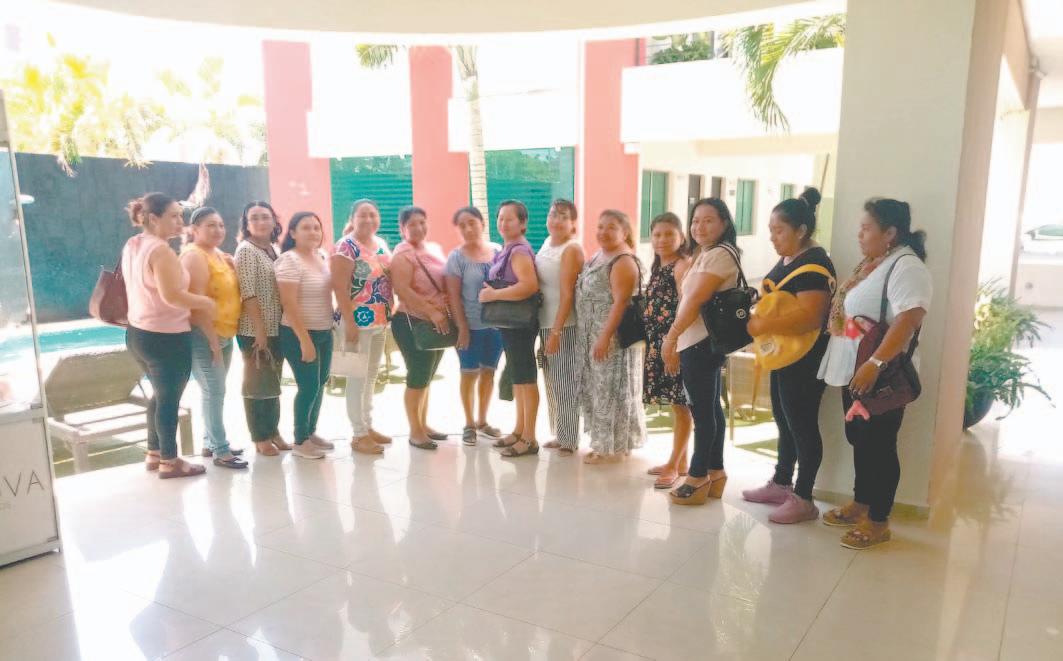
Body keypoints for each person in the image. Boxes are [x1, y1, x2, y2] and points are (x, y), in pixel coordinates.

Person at [818, 198, 931, 549]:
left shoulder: (906, 266)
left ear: (890, 232)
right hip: (854, 370)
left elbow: (909, 319)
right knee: (861, 440)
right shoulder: (873, 265)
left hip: (879, 375)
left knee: (880, 445)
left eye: (866, 228)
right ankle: (861, 503)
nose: (859, 234)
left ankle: (878, 520)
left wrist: (875, 364)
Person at [742, 187, 836, 522]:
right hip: (783, 354)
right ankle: (782, 482)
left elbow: (811, 317)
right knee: (784, 419)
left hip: (805, 357)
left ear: (801, 230)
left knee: (802, 424)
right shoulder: (790, 258)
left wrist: (762, 323)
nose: (772, 238)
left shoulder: (814, 264)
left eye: (778, 231)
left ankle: (804, 497)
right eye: (771, 230)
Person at [122, 193, 215, 478]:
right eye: (173, 216)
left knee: (160, 395)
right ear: (153, 218)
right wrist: (207, 302)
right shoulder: (161, 251)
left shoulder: (134, 244)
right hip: (166, 336)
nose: (180, 221)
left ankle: (154, 453)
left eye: (180, 215)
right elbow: (173, 296)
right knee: (169, 400)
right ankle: (170, 461)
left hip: (138, 334)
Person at [663, 198, 741, 505]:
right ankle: (715, 471)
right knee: (711, 409)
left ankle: (697, 477)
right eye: (695, 220)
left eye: (709, 220)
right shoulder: (707, 253)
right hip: (698, 341)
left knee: (702, 413)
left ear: (724, 223)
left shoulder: (719, 255)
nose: (700, 227)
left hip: (700, 343)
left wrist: (670, 338)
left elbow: (694, 299)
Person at [575, 209, 646, 464]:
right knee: (598, 390)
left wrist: (605, 337)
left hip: (609, 337)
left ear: (625, 232)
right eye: (600, 226)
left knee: (610, 391)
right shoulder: (600, 255)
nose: (603, 232)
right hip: (590, 334)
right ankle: (614, 442)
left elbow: (620, 303)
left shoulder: (623, 261)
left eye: (611, 227)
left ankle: (605, 447)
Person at [180, 207, 247, 469]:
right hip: (205, 334)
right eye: (210, 225)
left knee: (213, 391)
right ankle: (221, 450)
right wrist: (211, 341)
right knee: (214, 391)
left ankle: (210, 442)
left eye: (220, 225)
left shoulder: (219, 255)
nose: (218, 230)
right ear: (194, 229)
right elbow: (196, 305)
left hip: (225, 332)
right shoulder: (194, 256)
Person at [331, 199, 393, 455]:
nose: (368, 220)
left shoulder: (380, 244)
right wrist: (350, 323)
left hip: (380, 320)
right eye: (362, 215)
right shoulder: (345, 247)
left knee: (371, 376)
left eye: (372, 215)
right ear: (352, 219)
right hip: (356, 321)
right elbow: (339, 287)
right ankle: (358, 434)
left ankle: (367, 425)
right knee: (356, 378)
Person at [480, 200, 541, 458]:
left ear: (523, 223)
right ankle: (519, 430)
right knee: (518, 376)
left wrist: (494, 295)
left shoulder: (519, 252)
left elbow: (529, 286)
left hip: (520, 323)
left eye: (510, 219)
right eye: (500, 218)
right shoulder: (508, 249)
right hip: (511, 323)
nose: (503, 223)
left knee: (526, 377)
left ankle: (529, 438)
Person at [390, 206, 451, 450]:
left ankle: (423, 424)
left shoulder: (433, 248)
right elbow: (402, 290)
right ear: (402, 229)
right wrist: (431, 312)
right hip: (411, 322)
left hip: (437, 321)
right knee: (417, 375)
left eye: (422, 222)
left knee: (427, 375)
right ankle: (415, 431)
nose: (418, 228)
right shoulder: (402, 254)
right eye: (412, 224)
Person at [275, 212, 335, 460]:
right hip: (297, 333)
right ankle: (300, 440)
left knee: (320, 383)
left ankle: (310, 431)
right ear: (292, 233)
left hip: (324, 330)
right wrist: (304, 340)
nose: (313, 232)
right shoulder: (289, 260)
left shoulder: (321, 256)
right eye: (306, 228)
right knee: (308, 386)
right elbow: (289, 304)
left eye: (316, 227)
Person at [444, 206, 504, 446]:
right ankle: (469, 424)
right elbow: (453, 296)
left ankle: (482, 421)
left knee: (489, 372)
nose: (468, 229)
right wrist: (462, 327)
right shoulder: (456, 258)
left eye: (472, 223)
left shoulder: (498, 250)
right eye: (462, 226)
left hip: (497, 326)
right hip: (471, 326)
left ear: (482, 223)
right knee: (469, 374)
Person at [234, 201, 289, 456]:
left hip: (276, 327)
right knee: (257, 384)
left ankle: (273, 430)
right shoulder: (246, 250)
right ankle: (259, 436)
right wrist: (260, 331)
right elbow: (248, 293)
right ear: (246, 224)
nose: (260, 222)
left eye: (265, 217)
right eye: (254, 218)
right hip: (254, 330)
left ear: (274, 220)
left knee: (273, 381)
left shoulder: (272, 249)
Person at [642, 212, 692, 488]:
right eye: (657, 234)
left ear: (681, 238)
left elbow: (686, 308)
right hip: (659, 344)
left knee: (681, 405)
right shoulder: (659, 266)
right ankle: (681, 461)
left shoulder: (681, 265)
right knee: (676, 404)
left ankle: (674, 465)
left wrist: (674, 346)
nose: (661, 240)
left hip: (674, 344)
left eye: (669, 234)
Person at [536, 199, 585, 457]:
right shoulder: (547, 243)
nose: (556, 220)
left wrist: (556, 332)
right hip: (545, 322)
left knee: (565, 382)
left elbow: (567, 295)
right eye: (553, 214)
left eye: (563, 217)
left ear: (573, 223)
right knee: (552, 381)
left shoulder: (571, 249)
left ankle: (569, 438)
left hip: (563, 325)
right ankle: (559, 432)